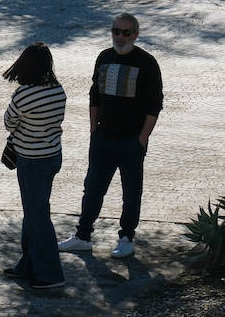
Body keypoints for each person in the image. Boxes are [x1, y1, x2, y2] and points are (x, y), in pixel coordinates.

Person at [58, 13, 163, 259]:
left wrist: (142, 138)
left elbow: (155, 104)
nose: (120, 37)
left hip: (131, 140)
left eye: (126, 32)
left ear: (135, 35)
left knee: (131, 191)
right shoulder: (104, 57)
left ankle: (126, 237)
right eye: (116, 31)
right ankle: (83, 236)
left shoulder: (147, 63)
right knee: (92, 189)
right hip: (103, 138)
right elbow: (94, 94)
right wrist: (93, 129)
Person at [2, 42, 67, 289]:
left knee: (37, 216)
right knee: (34, 212)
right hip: (52, 156)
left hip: (31, 160)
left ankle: (50, 273)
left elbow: (9, 123)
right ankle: (28, 265)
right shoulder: (58, 90)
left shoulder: (23, 94)